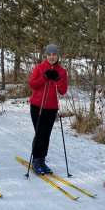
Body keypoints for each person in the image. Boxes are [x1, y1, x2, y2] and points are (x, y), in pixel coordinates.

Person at [29, 44, 67, 174]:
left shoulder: (62, 71)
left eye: (54, 54)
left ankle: (42, 160)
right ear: (46, 55)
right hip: (37, 106)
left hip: (52, 107)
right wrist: (45, 77)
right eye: (49, 54)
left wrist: (58, 78)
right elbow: (32, 84)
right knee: (40, 133)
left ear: (58, 56)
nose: (52, 57)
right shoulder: (39, 67)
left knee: (47, 135)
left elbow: (62, 91)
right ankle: (35, 159)